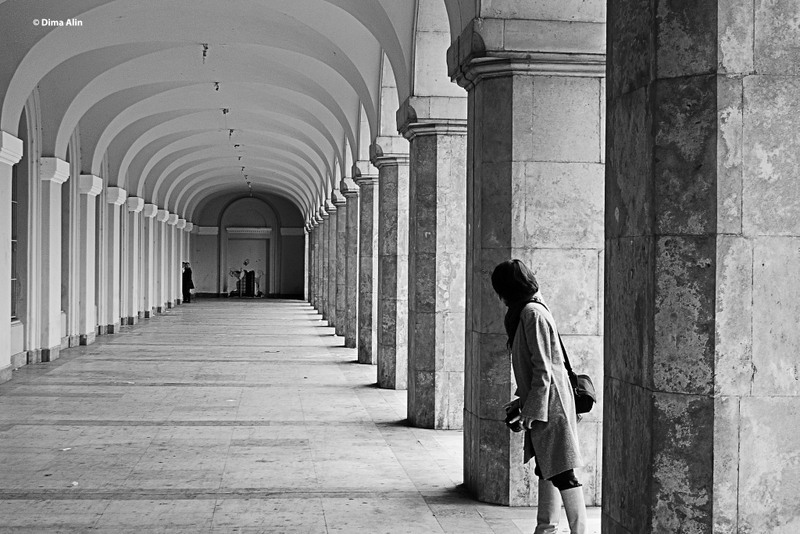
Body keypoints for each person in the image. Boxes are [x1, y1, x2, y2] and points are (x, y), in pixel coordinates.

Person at [491, 259, 587, 534]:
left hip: (552, 405)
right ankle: (546, 529)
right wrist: (522, 402)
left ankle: (577, 531)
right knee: (547, 467)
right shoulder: (526, 310)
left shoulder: (531, 313)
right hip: (547, 400)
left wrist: (532, 410)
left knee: (562, 472)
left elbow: (543, 368)